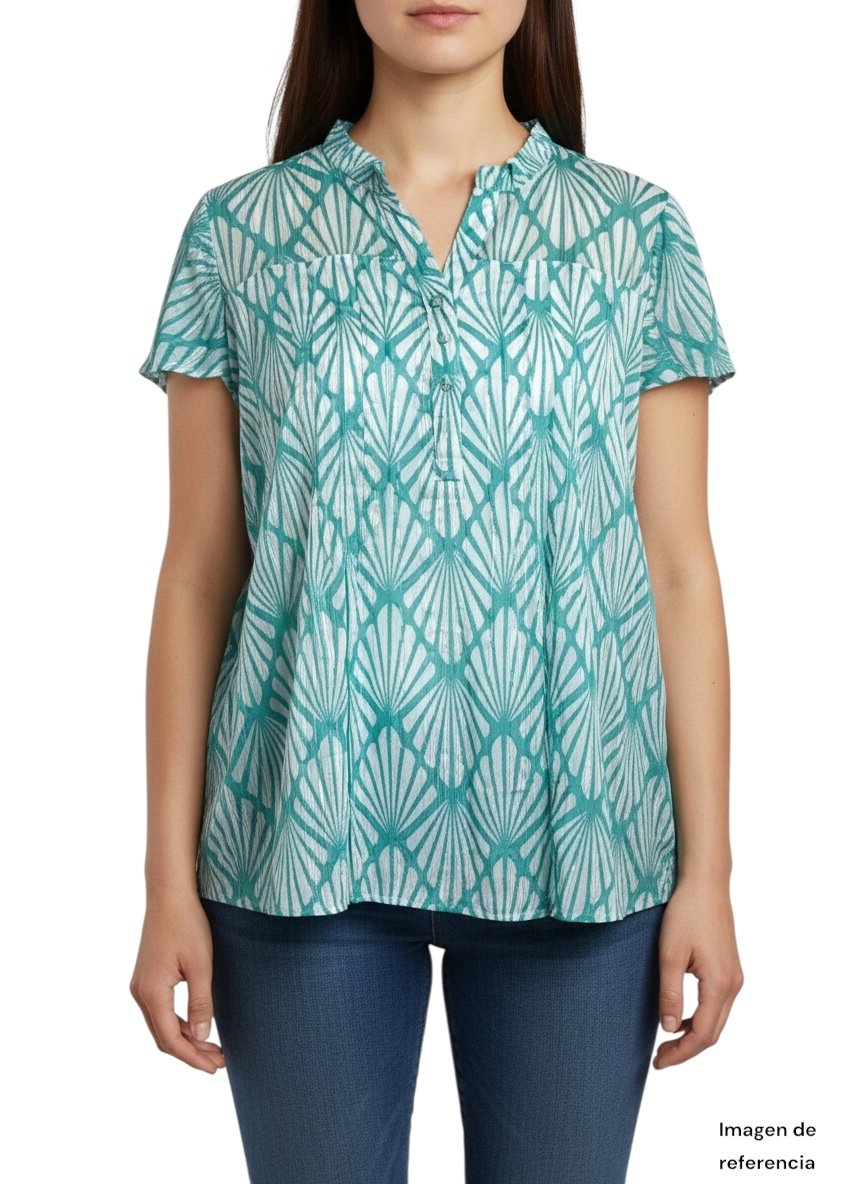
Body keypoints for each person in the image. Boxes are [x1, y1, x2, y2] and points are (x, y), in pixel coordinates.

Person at [129, 2, 745, 1181]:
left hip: (583, 842)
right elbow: (200, 571)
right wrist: (165, 882)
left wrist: (709, 872)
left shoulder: (636, 232)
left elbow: (677, 564)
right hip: (298, 835)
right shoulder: (239, 234)